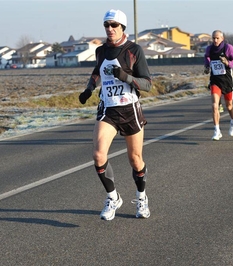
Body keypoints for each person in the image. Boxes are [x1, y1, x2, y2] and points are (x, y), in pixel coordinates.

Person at [78, 9, 152, 220]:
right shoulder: (101, 51)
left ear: (122, 27)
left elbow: (147, 84)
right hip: (108, 109)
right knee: (98, 155)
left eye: (114, 25)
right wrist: (89, 89)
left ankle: (141, 197)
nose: (110, 29)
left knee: (135, 160)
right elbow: (97, 71)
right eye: (106, 26)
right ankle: (113, 197)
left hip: (130, 109)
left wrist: (126, 77)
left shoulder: (134, 50)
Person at [204, 30, 233, 140]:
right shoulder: (209, 49)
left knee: (229, 106)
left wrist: (228, 63)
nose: (215, 40)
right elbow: (207, 57)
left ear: (222, 38)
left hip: (227, 80)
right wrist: (206, 66)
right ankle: (217, 130)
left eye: (217, 38)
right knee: (215, 105)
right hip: (215, 80)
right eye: (213, 38)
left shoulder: (228, 48)